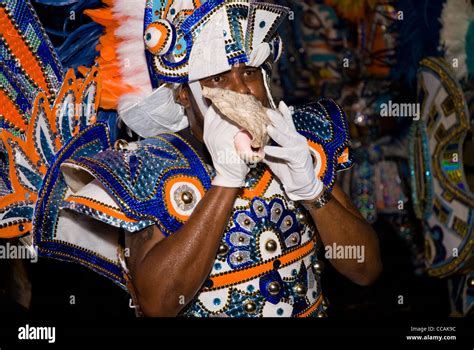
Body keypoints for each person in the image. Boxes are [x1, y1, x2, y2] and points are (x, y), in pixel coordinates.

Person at [3, 0, 381, 317]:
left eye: (249, 72)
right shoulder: (149, 165)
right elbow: (159, 302)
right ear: (184, 95)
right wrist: (226, 181)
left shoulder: (300, 144)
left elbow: (366, 270)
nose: (241, 90)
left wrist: (311, 189)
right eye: (216, 78)